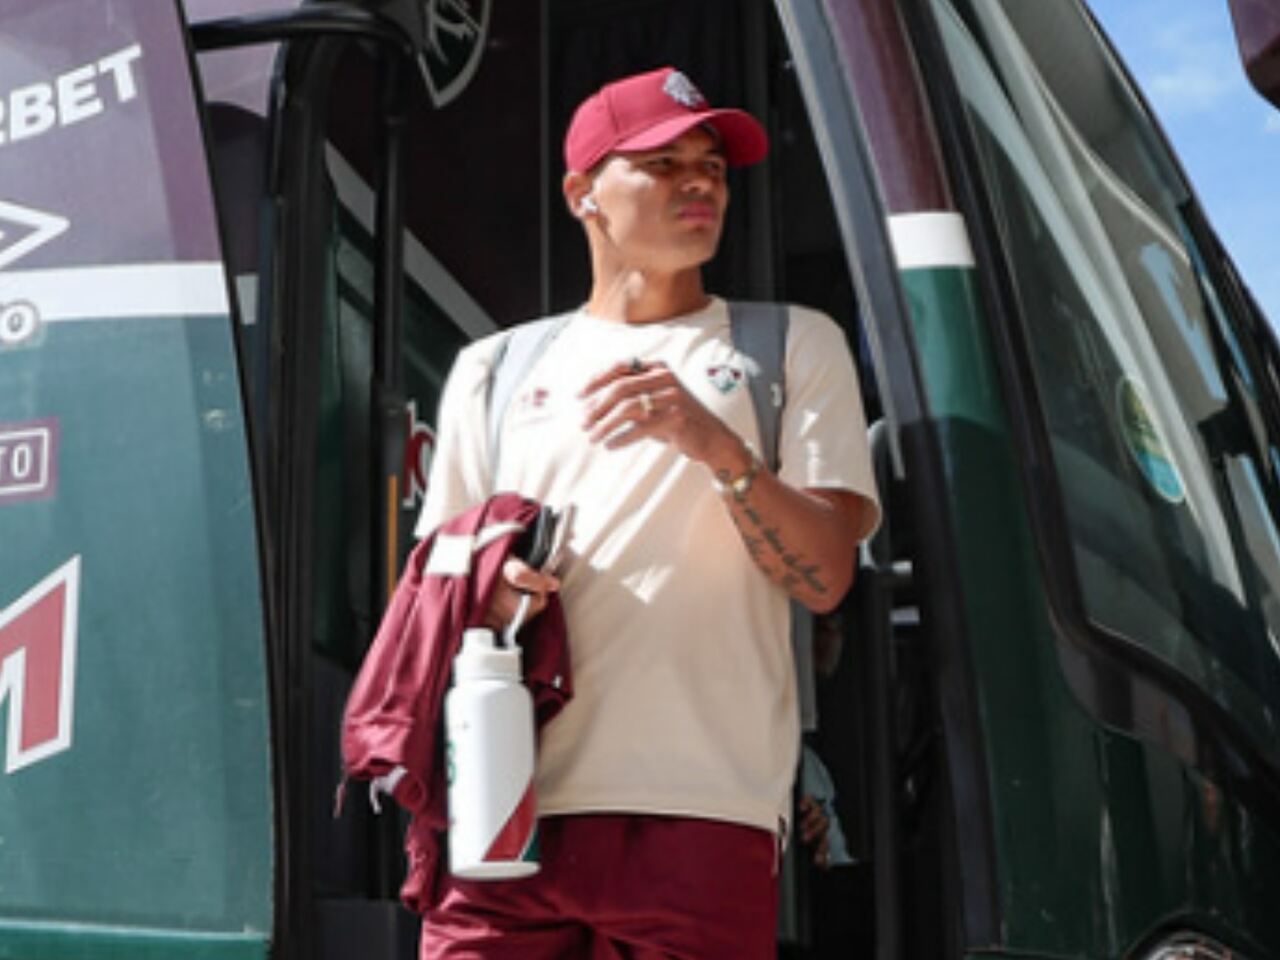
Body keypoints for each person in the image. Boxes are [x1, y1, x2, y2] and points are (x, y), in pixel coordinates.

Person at [415, 65, 881, 960]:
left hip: (707, 809)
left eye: (712, 165)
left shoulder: (790, 344)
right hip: (502, 804)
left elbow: (826, 579)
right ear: (583, 193)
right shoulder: (494, 368)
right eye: (663, 164)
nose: (701, 182)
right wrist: (498, 593)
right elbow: (436, 595)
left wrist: (719, 450)